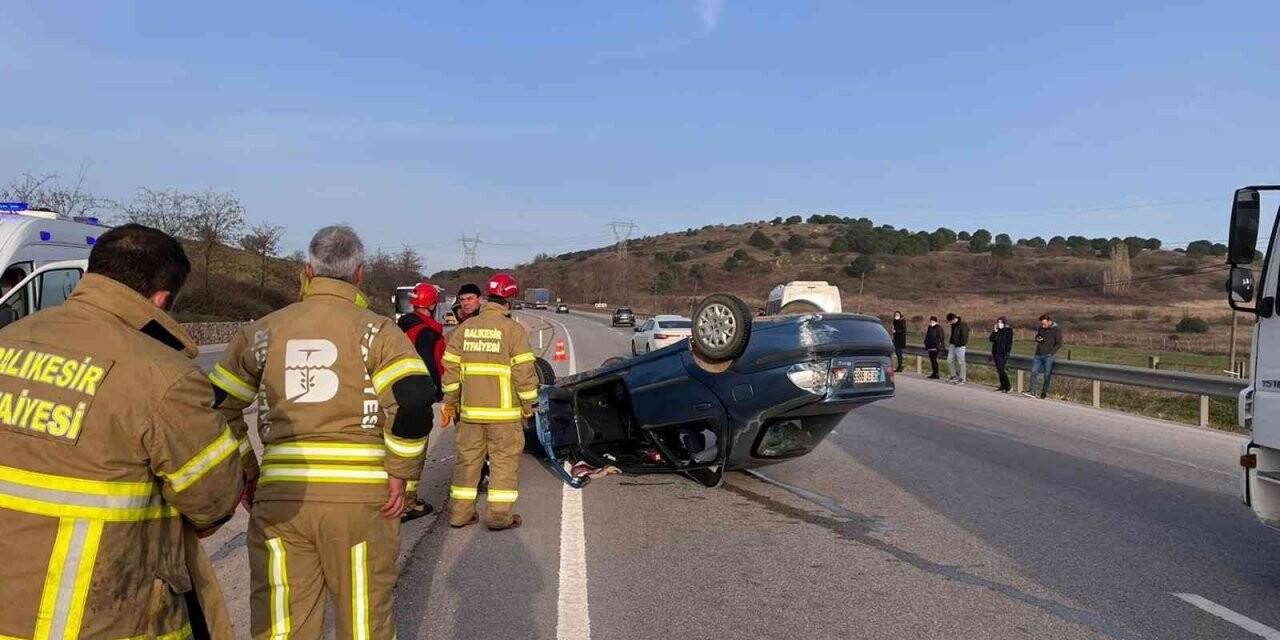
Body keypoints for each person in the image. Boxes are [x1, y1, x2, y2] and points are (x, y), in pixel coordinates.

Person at [0, 224, 244, 640]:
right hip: (98, 621)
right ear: (161, 299)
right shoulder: (165, 376)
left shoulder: (8, 340)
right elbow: (213, 503)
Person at [209, 225, 436, 639]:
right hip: (361, 503)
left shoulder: (261, 332)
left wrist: (247, 470)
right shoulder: (377, 331)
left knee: (282, 624)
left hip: (282, 500)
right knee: (364, 621)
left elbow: (217, 406)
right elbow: (415, 401)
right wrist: (400, 473)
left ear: (308, 271)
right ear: (359, 274)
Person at [440, 272, 539, 531]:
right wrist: (529, 406)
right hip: (504, 417)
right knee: (503, 464)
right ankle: (498, 517)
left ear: (486, 298)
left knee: (467, 463)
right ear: (509, 301)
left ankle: (460, 515)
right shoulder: (512, 330)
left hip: (470, 414)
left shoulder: (464, 329)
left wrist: (450, 402)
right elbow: (524, 373)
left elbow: (450, 370)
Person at [396, 281, 447, 522]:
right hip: (416, 397)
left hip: (395, 393)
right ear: (433, 304)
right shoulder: (426, 332)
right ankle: (407, 504)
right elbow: (429, 366)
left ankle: (396, 498)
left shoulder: (401, 326)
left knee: (397, 449)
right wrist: (438, 392)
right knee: (414, 452)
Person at [1026, 314, 1062, 399]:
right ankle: (1032, 392)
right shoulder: (1041, 328)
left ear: (1049, 322)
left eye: (1044, 324)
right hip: (1038, 354)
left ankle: (1044, 392)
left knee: (1047, 375)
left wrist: (1051, 353)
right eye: (1042, 324)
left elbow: (1059, 343)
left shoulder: (1056, 330)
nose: (1043, 325)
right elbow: (1037, 336)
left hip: (1048, 356)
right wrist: (1038, 339)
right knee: (1034, 372)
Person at [990, 316, 1014, 392]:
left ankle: (1008, 386)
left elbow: (1009, 342)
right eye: (998, 322)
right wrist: (995, 331)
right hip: (996, 352)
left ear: (1004, 323)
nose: (999, 323)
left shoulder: (1008, 330)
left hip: (1003, 353)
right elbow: (991, 339)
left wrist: (1007, 352)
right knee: (999, 370)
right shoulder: (997, 331)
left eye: (1001, 322)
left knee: (1001, 369)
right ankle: (1003, 385)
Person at [946, 312, 970, 384]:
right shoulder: (953, 324)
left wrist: (960, 344)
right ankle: (953, 376)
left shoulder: (963, 324)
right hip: (952, 345)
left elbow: (965, 336)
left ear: (954, 319)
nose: (950, 323)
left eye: (950, 321)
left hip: (960, 346)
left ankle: (962, 379)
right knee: (949, 360)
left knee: (961, 362)